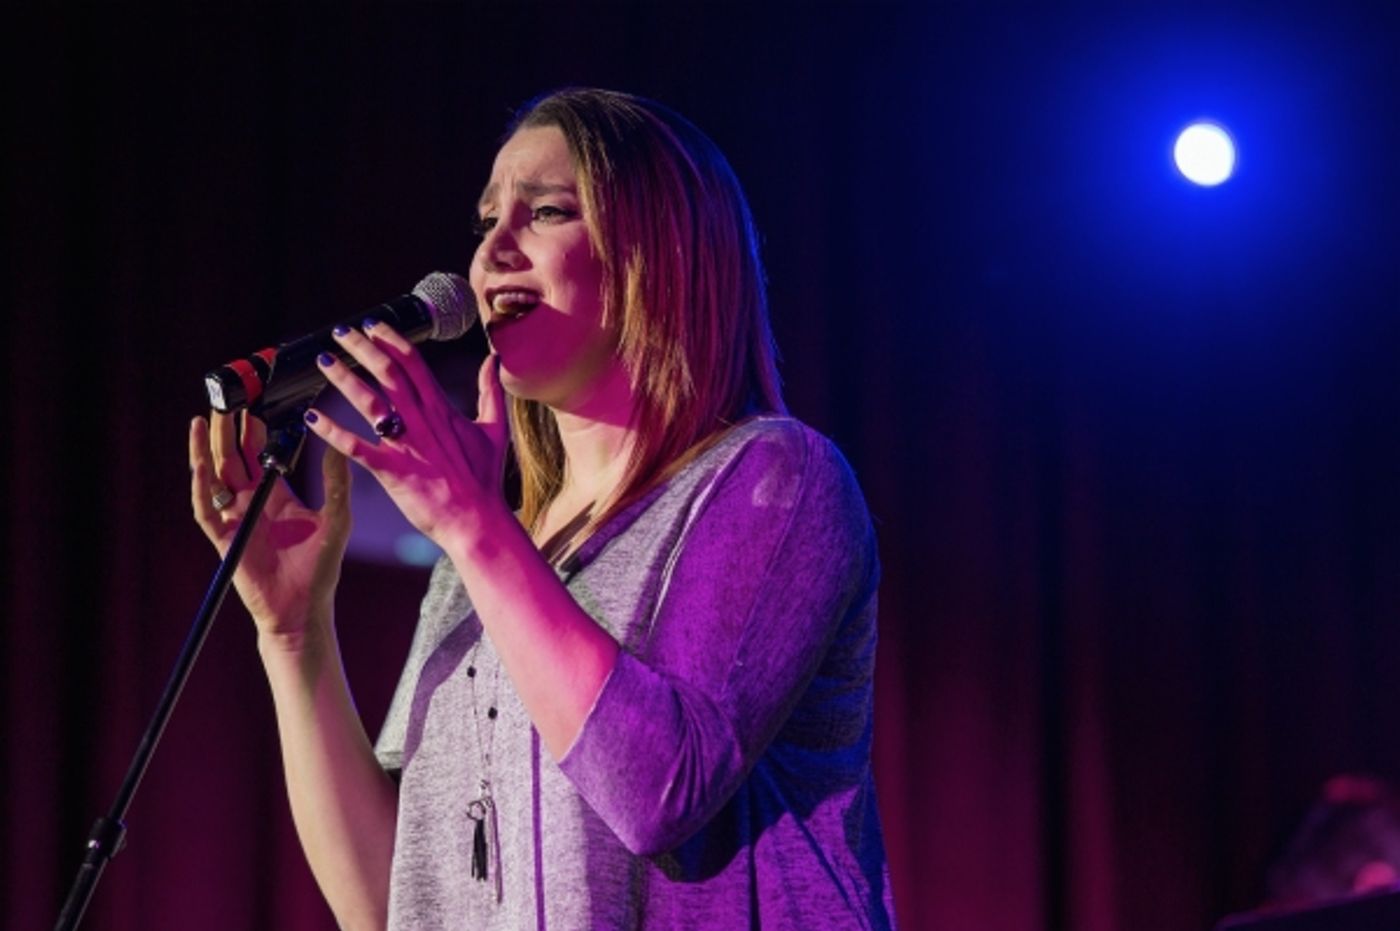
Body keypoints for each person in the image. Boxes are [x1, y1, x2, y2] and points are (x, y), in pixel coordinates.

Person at [190, 87, 895, 930]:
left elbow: (661, 791)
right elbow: (390, 899)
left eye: (547, 211)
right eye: (487, 220)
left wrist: (476, 532)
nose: (491, 252)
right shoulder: (481, 558)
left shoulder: (776, 480)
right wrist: (295, 635)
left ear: (661, 253)